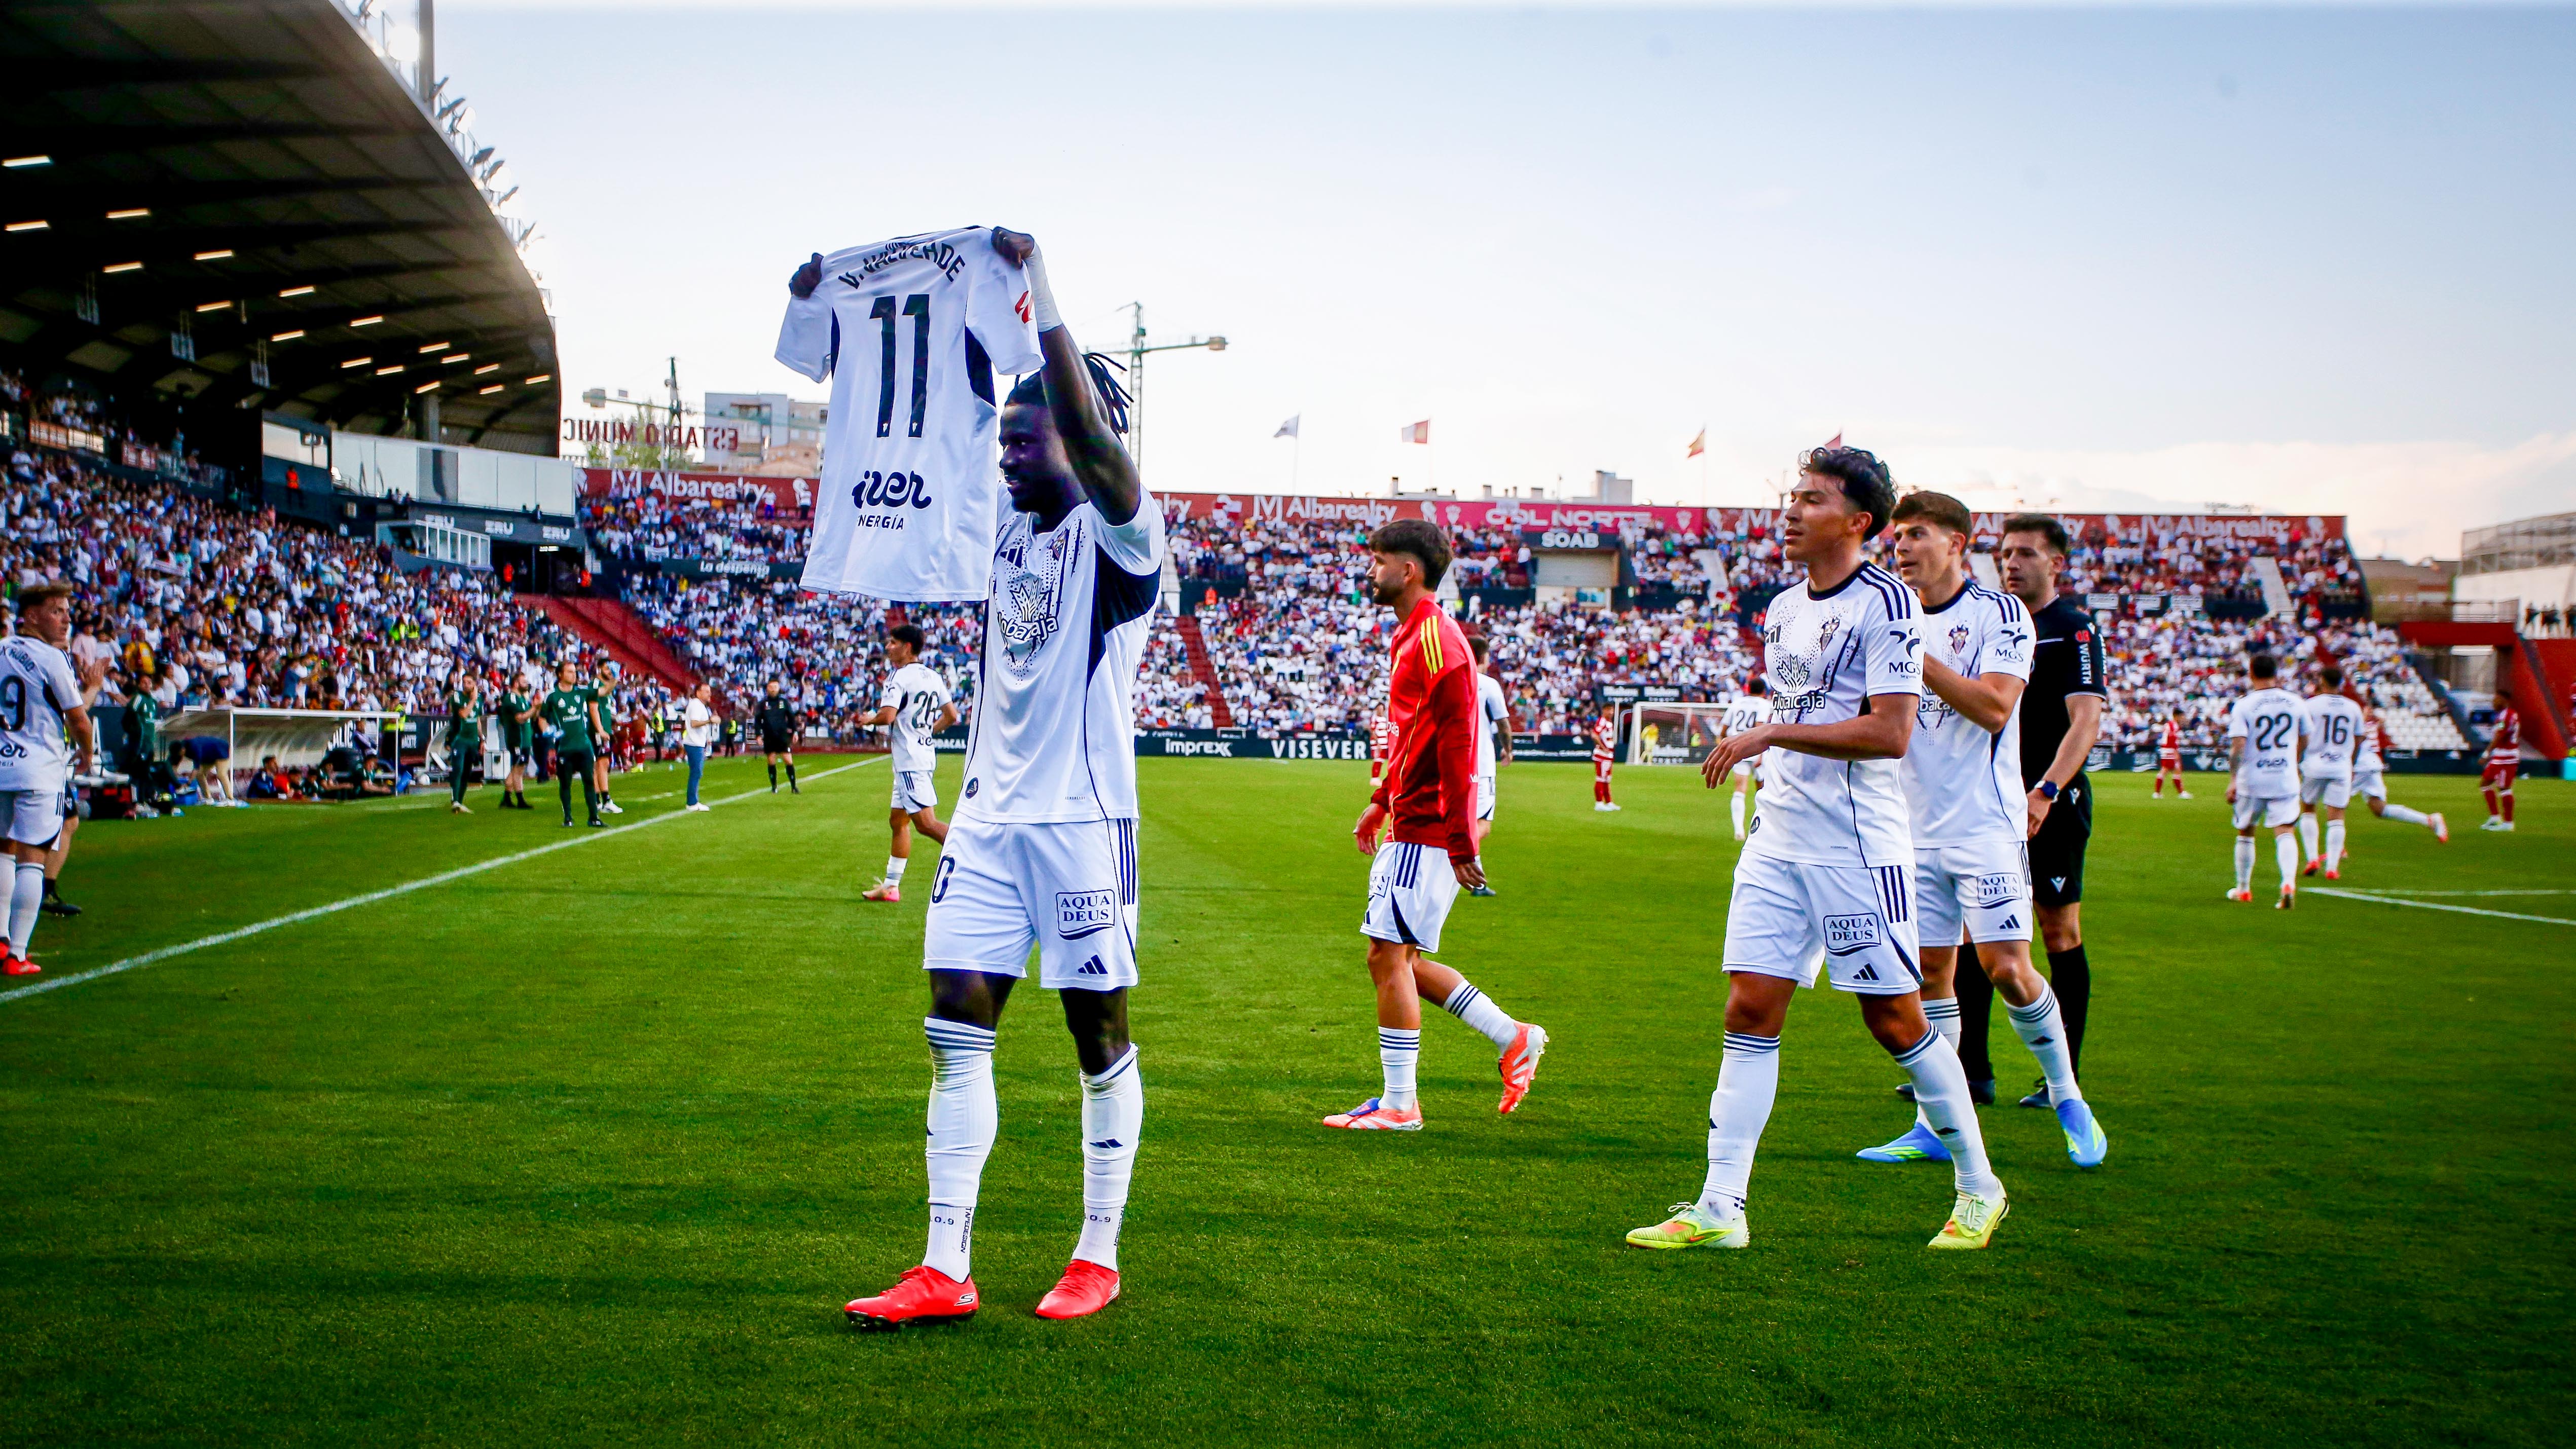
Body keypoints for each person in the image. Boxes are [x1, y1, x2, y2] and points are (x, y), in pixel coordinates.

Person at [843, 228, 1155, 1328]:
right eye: (1010, 444)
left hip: (1081, 822)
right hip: (985, 819)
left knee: (1094, 1030)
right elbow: (937, 417)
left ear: (1079, 442)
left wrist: (1043, 295)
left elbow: (1092, 442)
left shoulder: (1124, 540)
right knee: (953, 1020)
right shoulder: (998, 541)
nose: (1013, 457)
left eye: (1031, 443)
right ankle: (945, 1264)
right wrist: (849, 320)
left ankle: (1097, 1250)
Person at [1631, 444, 2009, 1254]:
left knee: (1894, 1017)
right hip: (1778, 837)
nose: (1791, 510)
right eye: (1790, 496)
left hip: (1856, 846)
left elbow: (1890, 730)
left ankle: (1980, 1188)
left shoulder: (1888, 606)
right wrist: (1776, 747)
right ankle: (1720, 1206)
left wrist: (1769, 730)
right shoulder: (1782, 606)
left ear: (1858, 521)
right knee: (1749, 1008)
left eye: (1810, 498)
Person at [1856, 491, 2105, 1170]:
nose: (1901, 547)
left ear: (1957, 542)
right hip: (1911, 827)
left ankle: (2066, 1093)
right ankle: (1934, 1122)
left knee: (2005, 968)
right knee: (1931, 972)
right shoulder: (1890, 611)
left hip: (1985, 825)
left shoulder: (1999, 614)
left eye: (1916, 535)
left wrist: (1912, 655)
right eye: (1897, 537)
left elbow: (1995, 707)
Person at [1322, 520, 1547, 1132]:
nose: (1371, 571)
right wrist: (1381, 798)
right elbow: (1413, 736)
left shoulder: (1435, 641)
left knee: (1386, 956)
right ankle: (1513, 1036)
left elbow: (1457, 743)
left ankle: (1401, 1105)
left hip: (1427, 830)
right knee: (1398, 958)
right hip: (1411, 818)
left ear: (1409, 570)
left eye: (1379, 561)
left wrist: (1460, 838)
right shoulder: (1414, 635)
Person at [1957, 513, 2106, 1112]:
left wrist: (2045, 790)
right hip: (1989, 804)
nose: (2011, 563)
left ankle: (2061, 1078)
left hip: (2050, 802)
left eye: (2025, 553)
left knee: (2057, 930)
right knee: (1971, 931)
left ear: (2056, 564)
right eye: (2005, 553)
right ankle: (1971, 1072)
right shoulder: (1995, 623)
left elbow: (2086, 721)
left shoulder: (2071, 628)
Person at [1, 583, 98, 977]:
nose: (66, 619)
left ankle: (1, 941)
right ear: (32, 615)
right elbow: (78, 719)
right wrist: (88, 753)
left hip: (3, 763)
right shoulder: (53, 658)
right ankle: (17, 953)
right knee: (33, 859)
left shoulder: (2, 650)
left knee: (3, 850)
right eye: (56, 610)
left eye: (66, 611)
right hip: (40, 769)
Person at [861, 624, 958, 903]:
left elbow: (888, 716)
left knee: (926, 824)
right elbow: (951, 715)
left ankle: (976, 862)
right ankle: (891, 886)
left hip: (909, 761)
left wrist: (869, 719)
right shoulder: (932, 676)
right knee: (898, 821)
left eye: (893, 642)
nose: (888, 647)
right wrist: (927, 731)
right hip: (923, 755)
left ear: (907, 647)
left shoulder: (899, 677)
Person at [2226, 654, 2308, 908]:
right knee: (2285, 831)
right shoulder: (2296, 703)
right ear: (2277, 673)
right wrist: (2293, 762)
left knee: (2246, 831)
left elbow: (2238, 746)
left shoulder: (2244, 705)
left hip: (2253, 778)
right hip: (2285, 777)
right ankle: (2288, 884)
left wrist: (2233, 780)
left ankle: (2244, 889)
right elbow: (2305, 738)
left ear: (2251, 674)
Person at [2297, 664, 2366, 879]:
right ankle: (2333, 868)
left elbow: (2302, 736)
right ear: (2342, 683)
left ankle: (2312, 858)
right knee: (2337, 817)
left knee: (2308, 808)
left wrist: (2296, 760)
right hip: (2341, 765)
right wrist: (2351, 764)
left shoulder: (2311, 705)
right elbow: (2359, 738)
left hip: (2314, 763)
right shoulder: (2353, 707)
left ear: (2322, 682)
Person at [2352, 707, 2446, 842]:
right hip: (2370, 764)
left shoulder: (2351, 719)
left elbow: (2359, 736)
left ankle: (2338, 848)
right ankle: (2430, 820)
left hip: (2361, 766)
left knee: (2334, 802)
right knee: (2379, 809)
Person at [1466, 633, 1511, 892]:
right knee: (1482, 825)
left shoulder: (1448, 680)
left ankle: (1476, 880)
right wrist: (1508, 750)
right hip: (1480, 766)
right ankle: (1455, 856)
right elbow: (1503, 723)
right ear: (1483, 657)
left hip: (1451, 764)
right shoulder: (1488, 684)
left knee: (1463, 820)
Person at [540, 661, 606, 828]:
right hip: (565, 748)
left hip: (584, 745)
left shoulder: (581, 692)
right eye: (570, 672)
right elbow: (542, 718)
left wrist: (613, 680)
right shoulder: (552, 696)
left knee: (589, 781)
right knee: (566, 783)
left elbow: (603, 691)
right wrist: (550, 733)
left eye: (575, 672)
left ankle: (594, 817)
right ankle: (568, 817)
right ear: (560, 675)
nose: (574, 675)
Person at [1717, 677, 1770, 842]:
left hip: (1739, 750)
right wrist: (1762, 754)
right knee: (1764, 791)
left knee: (1740, 790)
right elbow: (1761, 728)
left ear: (1748, 689)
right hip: (1757, 750)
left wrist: (1727, 749)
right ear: (1764, 691)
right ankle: (1764, 830)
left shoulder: (1737, 703)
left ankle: (1739, 830)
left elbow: (1723, 730)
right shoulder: (1764, 705)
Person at [444, 672, 485, 815]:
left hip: (473, 741)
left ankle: (459, 802)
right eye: (464, 682)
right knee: (458, 768)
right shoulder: (457, 696)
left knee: (467, 772)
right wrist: (472, 701)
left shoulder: (480, 699)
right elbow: (463, 714)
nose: (465, 685)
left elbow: (478, 719)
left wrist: (482, 739)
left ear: (474, 684)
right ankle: (455, 800)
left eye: (469, 682)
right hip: (459, 739)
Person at [2480, 691, 2520, 831]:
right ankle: (2495, 818)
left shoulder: (2507, 715)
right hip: (2500, 756)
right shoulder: (2503, 715)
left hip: (2507, 757)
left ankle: (2508, 823)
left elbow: (2500, 737)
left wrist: (2487, 753)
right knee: (2485, 783)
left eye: (2496, 699)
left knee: (2504, 788)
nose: (2494, 702)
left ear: (2504, 700)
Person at [494, 677, 535, 810]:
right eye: (524, 682)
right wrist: (535, 708)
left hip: (525, 739)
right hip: (517, 739)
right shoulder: (511, 698)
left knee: (519, 768)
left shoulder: (522, 698)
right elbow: (520, 718)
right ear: (516, 684)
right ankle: (520, 799)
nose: (527, 684)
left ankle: (507, 797)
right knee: (517, 768)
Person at [755, 679, 801, 794]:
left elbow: (791, 718)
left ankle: (794, 786)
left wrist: (795, 732)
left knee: (788, 760)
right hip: (769, 737)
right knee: (771, 761)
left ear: (779, 688)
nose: (773, 689)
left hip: (782, 736)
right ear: (767, 689)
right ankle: (774, 787)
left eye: (775, 687)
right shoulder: (763, 704)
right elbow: (757, 720)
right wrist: (758, 735)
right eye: (771, 687)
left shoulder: (784, 702)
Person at [590, 664, 623, 815]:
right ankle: (605, 800)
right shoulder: (596, 684)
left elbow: (607, 691)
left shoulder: (604, 685)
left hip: (603, 730)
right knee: (601, 764)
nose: (609, 672)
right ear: (599, 669)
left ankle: (598, 801)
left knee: (601, 764)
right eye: (607, 669)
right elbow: (594, 707)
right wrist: (600, 729)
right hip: (598, 731)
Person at [678, 682, 715, 812]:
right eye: (706, 691)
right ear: (698, 692)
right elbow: (694, 723)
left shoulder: (699, 705)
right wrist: (710, 721)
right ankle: (692, 802)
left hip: (697, 742)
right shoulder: (696, 705)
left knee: (697, 772)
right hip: (694, 743)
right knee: (696, 772)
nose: (709, 694)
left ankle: (693, 800)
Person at [2153, 709, 2191, 799]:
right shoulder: (2173, 725)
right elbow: (2171, 739)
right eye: (2181, 716)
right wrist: (2175, 751)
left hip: (2167, 750)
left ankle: (2180, 792)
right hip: (2169, 750)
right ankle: (2158, 793)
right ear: (2176, 716)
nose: (2182, 718)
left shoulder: (2171, 725)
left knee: (2176, 770)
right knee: (2166, 770)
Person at [1591, 709, 1620, 811]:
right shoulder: (1602, 721)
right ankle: (1599, 803)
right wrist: (1603, 748)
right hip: (1602, 755)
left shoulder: (1609, 723)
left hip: (1608, 756)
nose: (1612, 713)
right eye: (1610, 710)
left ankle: (1609, 802)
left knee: (1607, 780)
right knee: (1601, 779)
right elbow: (1595, 735)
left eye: (1612, 710)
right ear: (1604, 711)